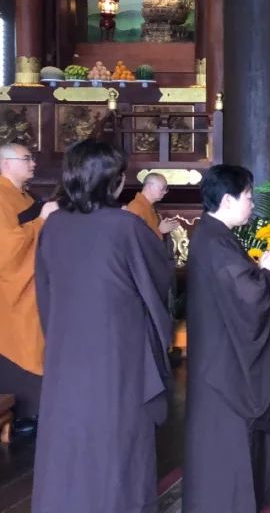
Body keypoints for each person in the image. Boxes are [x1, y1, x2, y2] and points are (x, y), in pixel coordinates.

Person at [31, 140, 174, 512]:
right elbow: (159, 279)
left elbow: (44, 291)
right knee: (116, 443)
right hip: (117, 356)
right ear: (113, 181)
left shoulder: (54, 225)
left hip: (66, 352)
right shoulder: (124, 226)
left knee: (68, 441)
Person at [183, 165, 270, 512]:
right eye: (248, 197)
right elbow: (248, 296)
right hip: (223, 356)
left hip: (219, 348)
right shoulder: (214, 240)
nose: (251, 204)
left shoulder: (214, 234)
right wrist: (269, 272)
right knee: (225, 432)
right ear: (228, 200)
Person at [0, 144, 57, 436]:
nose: (33, 163)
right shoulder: (1, 196)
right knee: (19, 345)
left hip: (31, 286)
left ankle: (35, 409)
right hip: (11, 291)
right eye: (27, 159)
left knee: (37, 342)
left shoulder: (22, 196)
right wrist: (42, 220)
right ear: (7, 164)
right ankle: (20, 414)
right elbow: (7, 249)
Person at [126, 172, 179, 240]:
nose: (165, 192)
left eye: (166, 189)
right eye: (162, 188)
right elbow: (135, 239)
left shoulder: (149, 207)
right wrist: (159, 230)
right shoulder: (135, 208)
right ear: (149, 186)